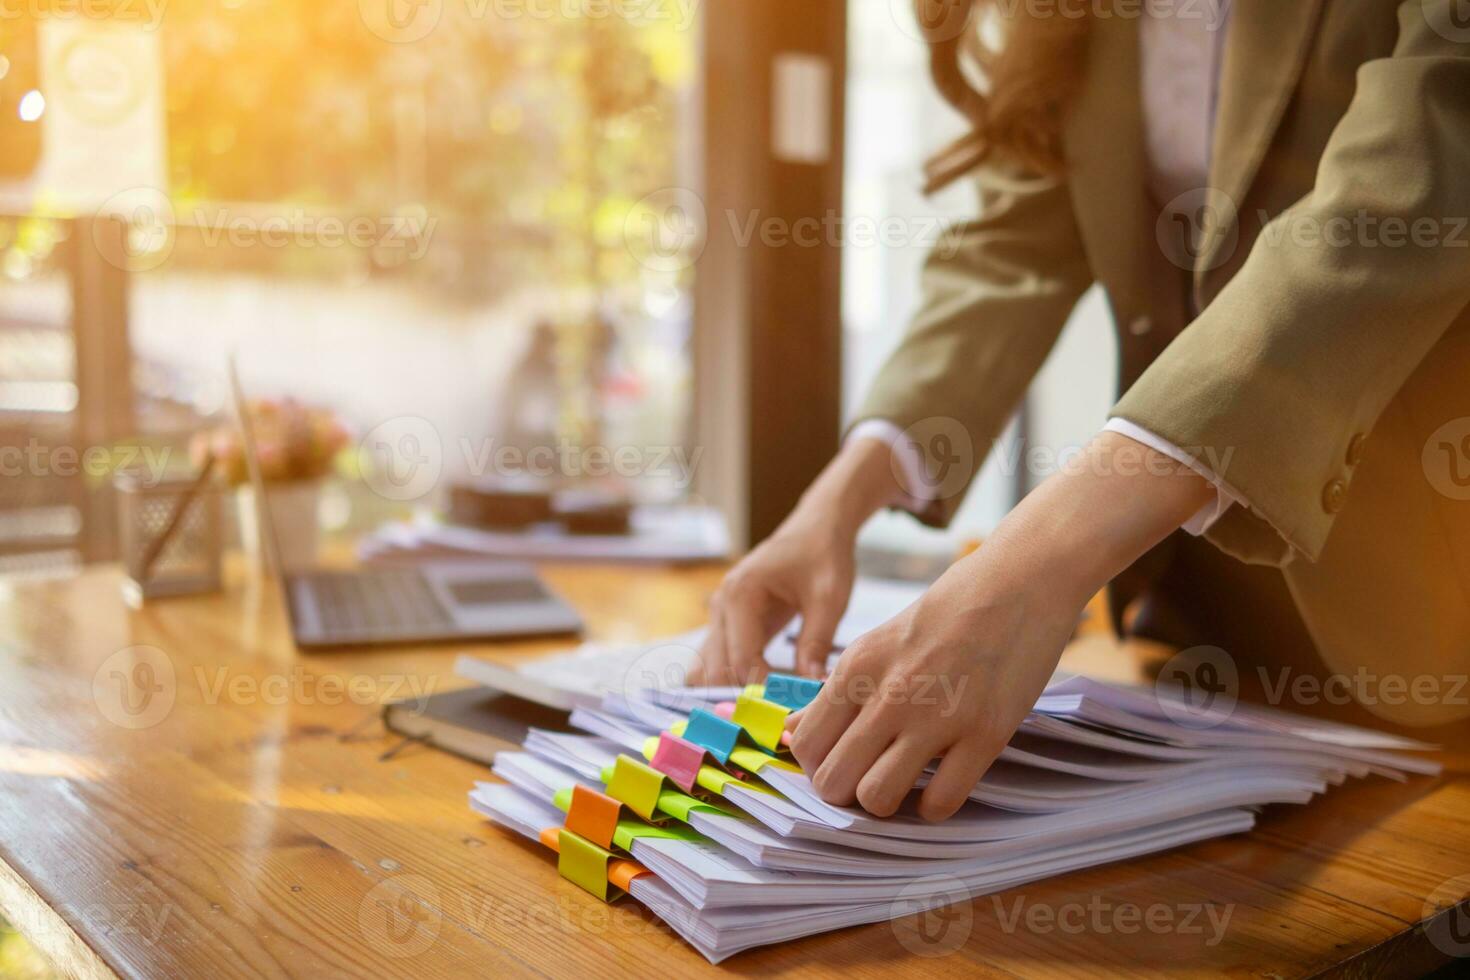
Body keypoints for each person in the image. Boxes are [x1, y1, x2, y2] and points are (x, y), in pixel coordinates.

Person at [687, 0, 1470, 822]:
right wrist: (837, 500)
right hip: (1202, 626)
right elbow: (1009, 253)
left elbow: (1401, 199)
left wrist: (1030, 570)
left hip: (1431, 606)